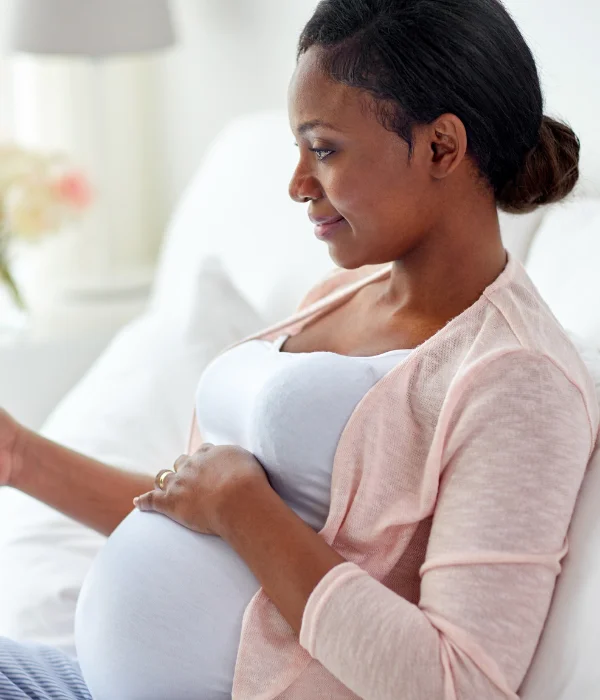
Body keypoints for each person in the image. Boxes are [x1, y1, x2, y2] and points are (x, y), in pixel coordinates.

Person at [0, 0, 598, 698]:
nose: (296, 184)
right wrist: (20, 456)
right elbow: (204, 503)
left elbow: (460, 684)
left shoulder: (517, 379)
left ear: (442, 147)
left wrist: (244, 509)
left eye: (323, 148)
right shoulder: (339, 295)